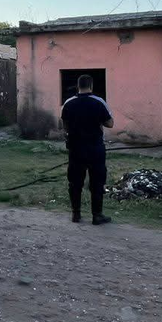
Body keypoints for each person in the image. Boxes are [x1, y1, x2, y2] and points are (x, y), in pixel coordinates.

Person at [60, 74, 114, 225]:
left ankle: (76, 214)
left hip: (76, 149)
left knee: (75, 182)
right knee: (97, 181)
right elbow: (110, 124)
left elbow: (65, 126)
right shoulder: (99, 102)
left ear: (78, 86)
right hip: (95, 148)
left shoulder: (69, 103)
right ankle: (97, 215)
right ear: (91, 85)